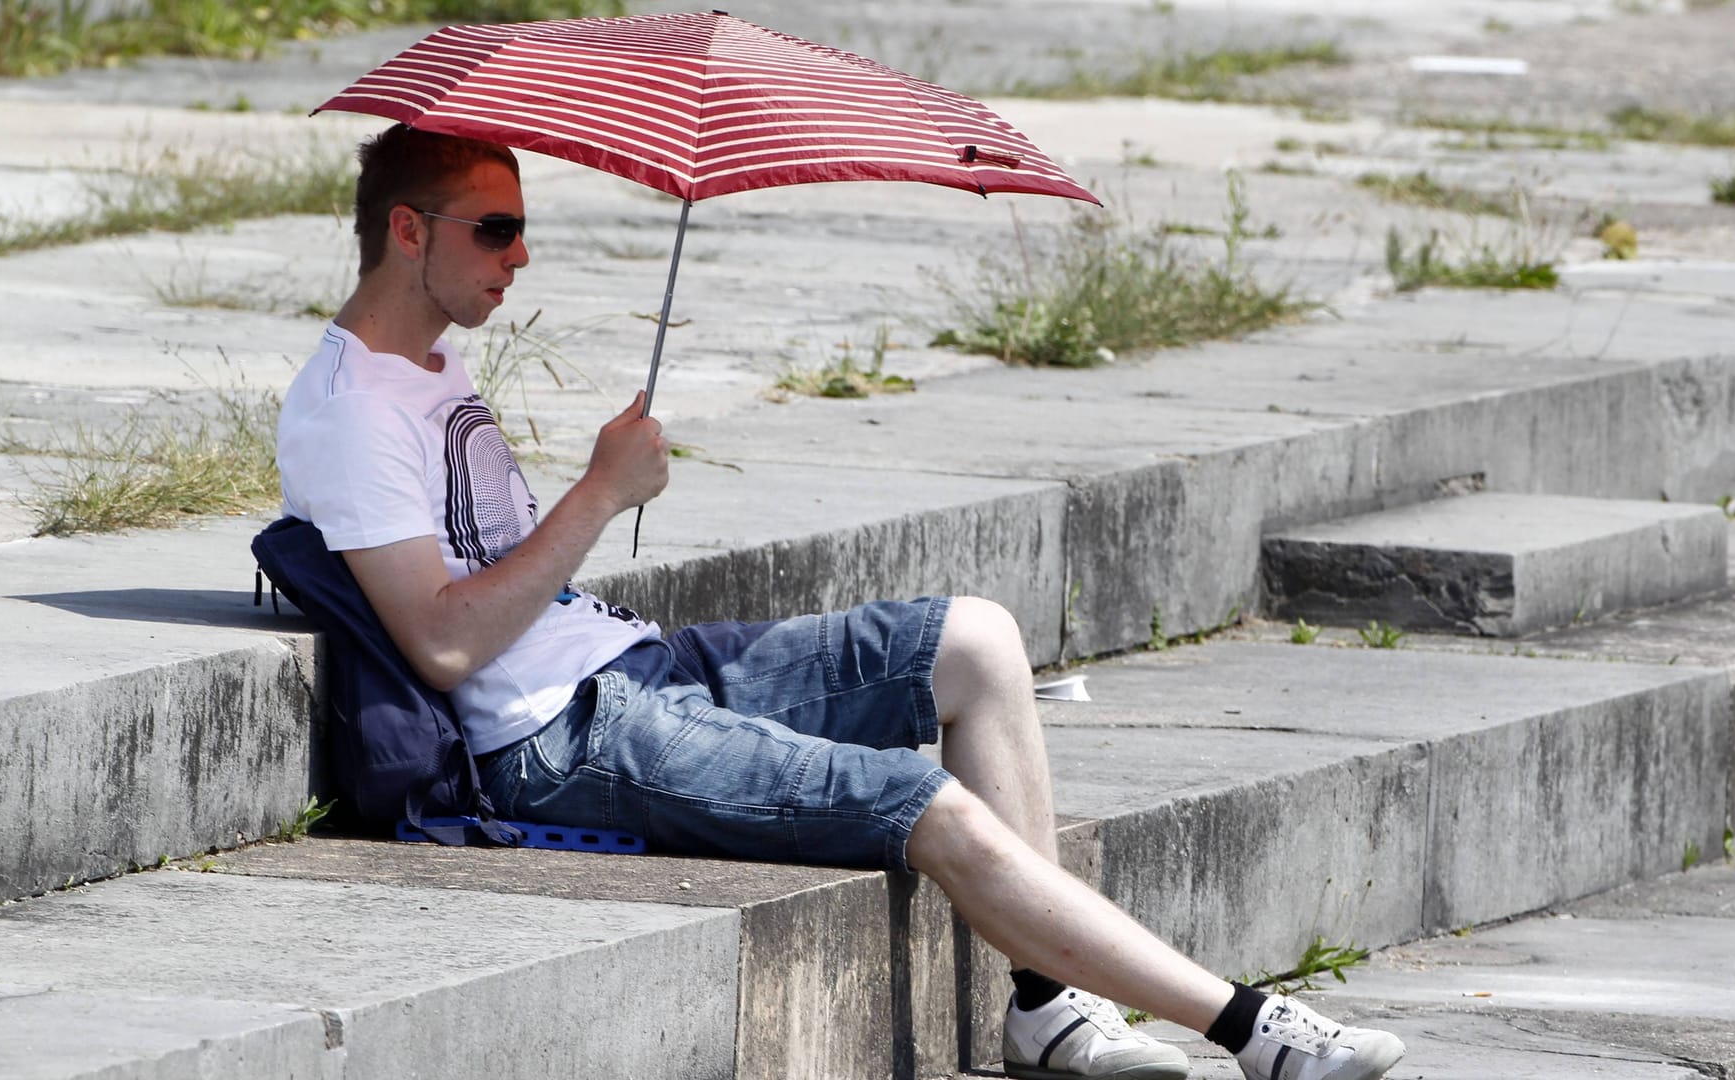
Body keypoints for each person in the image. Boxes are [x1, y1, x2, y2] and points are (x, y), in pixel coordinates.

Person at [275, 123, 1405, 1080]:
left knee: (979, 640)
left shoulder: (429, 364)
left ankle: (1047, 1008)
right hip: (555, 738)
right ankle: (1254, 1032)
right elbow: (442, 643)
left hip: (630, 668)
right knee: (932, 805)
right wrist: (600, 492)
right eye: (496, 229)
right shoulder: (352, 414)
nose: (522, 257)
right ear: (406, 231)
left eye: (523, 228)